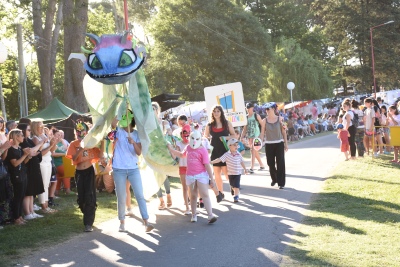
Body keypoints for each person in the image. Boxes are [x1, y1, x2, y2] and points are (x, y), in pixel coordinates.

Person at [110, 113, 154, 233]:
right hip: (119, 168)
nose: (125, 120)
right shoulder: (118, 131)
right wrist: (119, 112)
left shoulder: (136, 134)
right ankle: (122, 222)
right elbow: (112, 124)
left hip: (133, 169)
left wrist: (133, 143)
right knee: (121, 196)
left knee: (140, 195)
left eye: (126, 117)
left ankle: (146, 222)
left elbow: (139, 152)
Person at [168, 130, 218, 224]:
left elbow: (207, 164)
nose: (194, 141)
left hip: (201, 175)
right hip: (191, 175)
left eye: (197, 139)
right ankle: (194, 214)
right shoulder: (188, 147)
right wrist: (171, 150)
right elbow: (182, 155)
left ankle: (210, 215)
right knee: (193, 195)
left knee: (204, 194)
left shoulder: (203, 150)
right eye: (192, 138)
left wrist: (211, 178)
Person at [66, 121, 104, 232]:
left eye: (82, 131)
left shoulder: (91, 143)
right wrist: (81, 148)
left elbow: (100, 155)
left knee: (89, 196)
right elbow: (73, 158)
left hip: (89, 172)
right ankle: (88, 212)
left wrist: (101, 142)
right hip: (79, 173)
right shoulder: (73, 144)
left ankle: (88, 223)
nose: (80, 133)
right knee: (81, 198)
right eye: (78, 131)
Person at [204, 105, 235, 200]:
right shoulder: (209, 125)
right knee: (217, 173)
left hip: (225, 150)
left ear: (221, 112)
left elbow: (234, 135)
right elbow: (205, 137)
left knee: (226, 173)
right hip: (215, 150)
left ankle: (232, 186)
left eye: (218, 111)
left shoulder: (227, 123)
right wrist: (208, 141)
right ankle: (221, 193)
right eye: (215, 111)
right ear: (212, 113)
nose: (216, 113)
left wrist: (225, 138)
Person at [259, 102, 288, 189]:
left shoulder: (280, 119)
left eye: (268, 109)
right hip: (269, 144)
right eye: (266, 109)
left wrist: (286, 144)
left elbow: (284, 132)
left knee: (280, 163)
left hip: (279, 143)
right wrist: (259, 142)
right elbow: (262, 133)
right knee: (270, 163)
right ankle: (274, 179)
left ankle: (281, 183)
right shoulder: (264, 121)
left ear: (273, 109)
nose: (266, 111)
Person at [5, 129, 31, 225]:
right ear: (16, 136)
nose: (23, 137)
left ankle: (20, 216)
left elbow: (23, 162)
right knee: (17, 196)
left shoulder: (19, 148)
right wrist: (25, 155)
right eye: (21, 135)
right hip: (15, 175)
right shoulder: (11, 149)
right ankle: (16, 218)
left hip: (23, 173)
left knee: (22, 196)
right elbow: (15, 163)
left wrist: (28, 156)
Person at [210, 138, 248, 202]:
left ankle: (236, 196)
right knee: (232, 185)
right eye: (234, 145)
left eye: (237, 145)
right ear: (230, 146)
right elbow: (219, 159)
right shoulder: (227, 154)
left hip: (237, 173)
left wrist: (245, 169)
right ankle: (235, 191)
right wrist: (211, 162)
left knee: (236, 185)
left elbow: (242, 162)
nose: (236, 147)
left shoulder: (238, 154)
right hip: (230, 173)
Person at [152, 102, 173, 210]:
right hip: (152, 152)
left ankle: (168, 195)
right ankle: (161, 200)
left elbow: (169, 131)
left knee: (163, 174)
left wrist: (169, 131)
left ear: (157, 110)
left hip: (163, 151)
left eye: (154, 108)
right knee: (155, 176)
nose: (152, 110)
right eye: (150, 108)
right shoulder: (148, 124)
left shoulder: (163, 122)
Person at [241, 102, 265, 173]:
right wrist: (242, 136)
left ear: (252, 108)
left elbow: (262, 124)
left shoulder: (256, 115)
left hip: (256, 136)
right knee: (253, 150)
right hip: (250, 136)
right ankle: (261, 165)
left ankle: (252, 168)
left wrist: (262, 134)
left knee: (253, 150)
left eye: (249, 108)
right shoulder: (246, 117)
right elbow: (245, 128)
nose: (248, 109)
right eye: (247, 108)